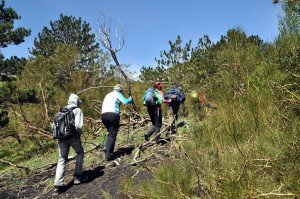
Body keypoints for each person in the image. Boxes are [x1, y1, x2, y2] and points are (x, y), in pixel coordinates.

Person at [53, 93, 88, 197]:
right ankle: (77, 177)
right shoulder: (77, 110)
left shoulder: (61, 111)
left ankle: (57, 187)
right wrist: (78, 136)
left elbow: (54, 127)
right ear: (76, 101)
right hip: (73, 137)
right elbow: (78, 126)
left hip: (61, 139)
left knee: (62, 159)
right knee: (80, 153)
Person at [101, 84, 132, 161]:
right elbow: (125, 101)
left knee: (110, 132)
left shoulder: (108, 94)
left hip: (103, 115)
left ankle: (106, 147)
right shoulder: (117, 94)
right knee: (112, 134)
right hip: (112, 115)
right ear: (120, 90)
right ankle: (108, 155)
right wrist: (130, 99)